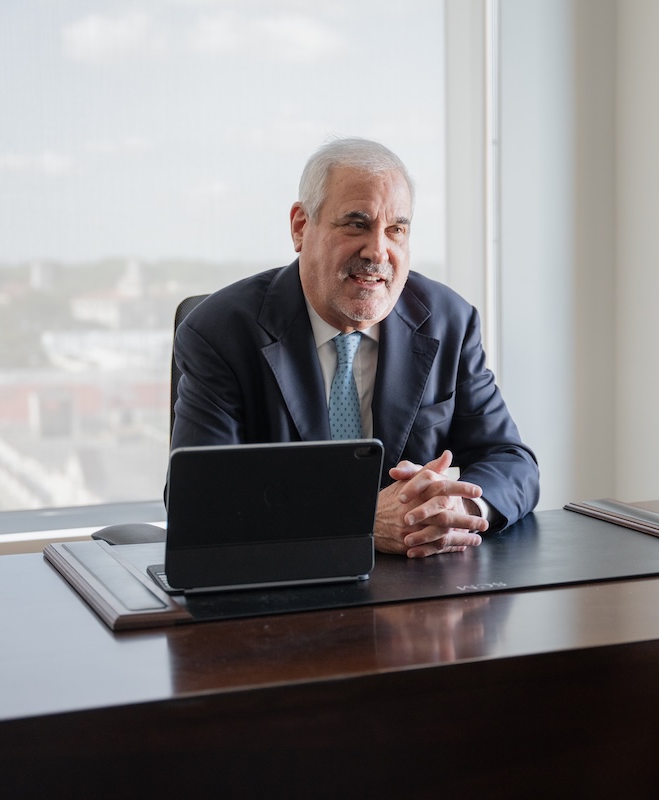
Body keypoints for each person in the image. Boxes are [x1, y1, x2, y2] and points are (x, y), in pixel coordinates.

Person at [171, 137, 540, 559]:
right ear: (300, 226)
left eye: (396, 230)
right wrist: (358, 519)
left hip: (416, 593)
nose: (378, 251)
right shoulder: (220, 332)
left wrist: (459, 507)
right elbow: (200, 503)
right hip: (279, 591)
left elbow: (512, 462)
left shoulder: (448, 321)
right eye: (356, 224)